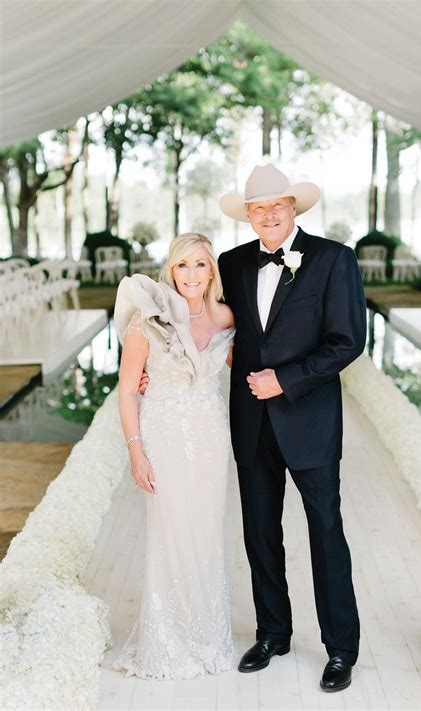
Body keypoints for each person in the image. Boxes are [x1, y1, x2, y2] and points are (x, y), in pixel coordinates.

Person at [217, 164, 367, 692]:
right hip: (251, 423)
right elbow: (212, 326)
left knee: (326, 533)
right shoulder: (231, 263)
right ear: (250, 215)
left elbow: (348, 341)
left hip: (310, 421)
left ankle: (341, 649)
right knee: (260, 532)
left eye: (278, 205)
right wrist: (157, 361)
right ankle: (273, 633)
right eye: (259, 208)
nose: (269, 215)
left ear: (294, 208)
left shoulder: (333, 259)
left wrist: (287, 379)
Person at [113, 232, 235, 680]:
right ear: (171, 270)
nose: (191, 275)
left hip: (210, 438)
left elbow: (241, 369)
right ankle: (167, 640)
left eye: (200, 264)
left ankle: (207, 635)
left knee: (206, 534)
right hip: (163, 437)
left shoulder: (226, 317)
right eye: (182, 265)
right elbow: (127, 391)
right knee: (169, 534)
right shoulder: (148, 321)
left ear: (211, 271)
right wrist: (136, 452)